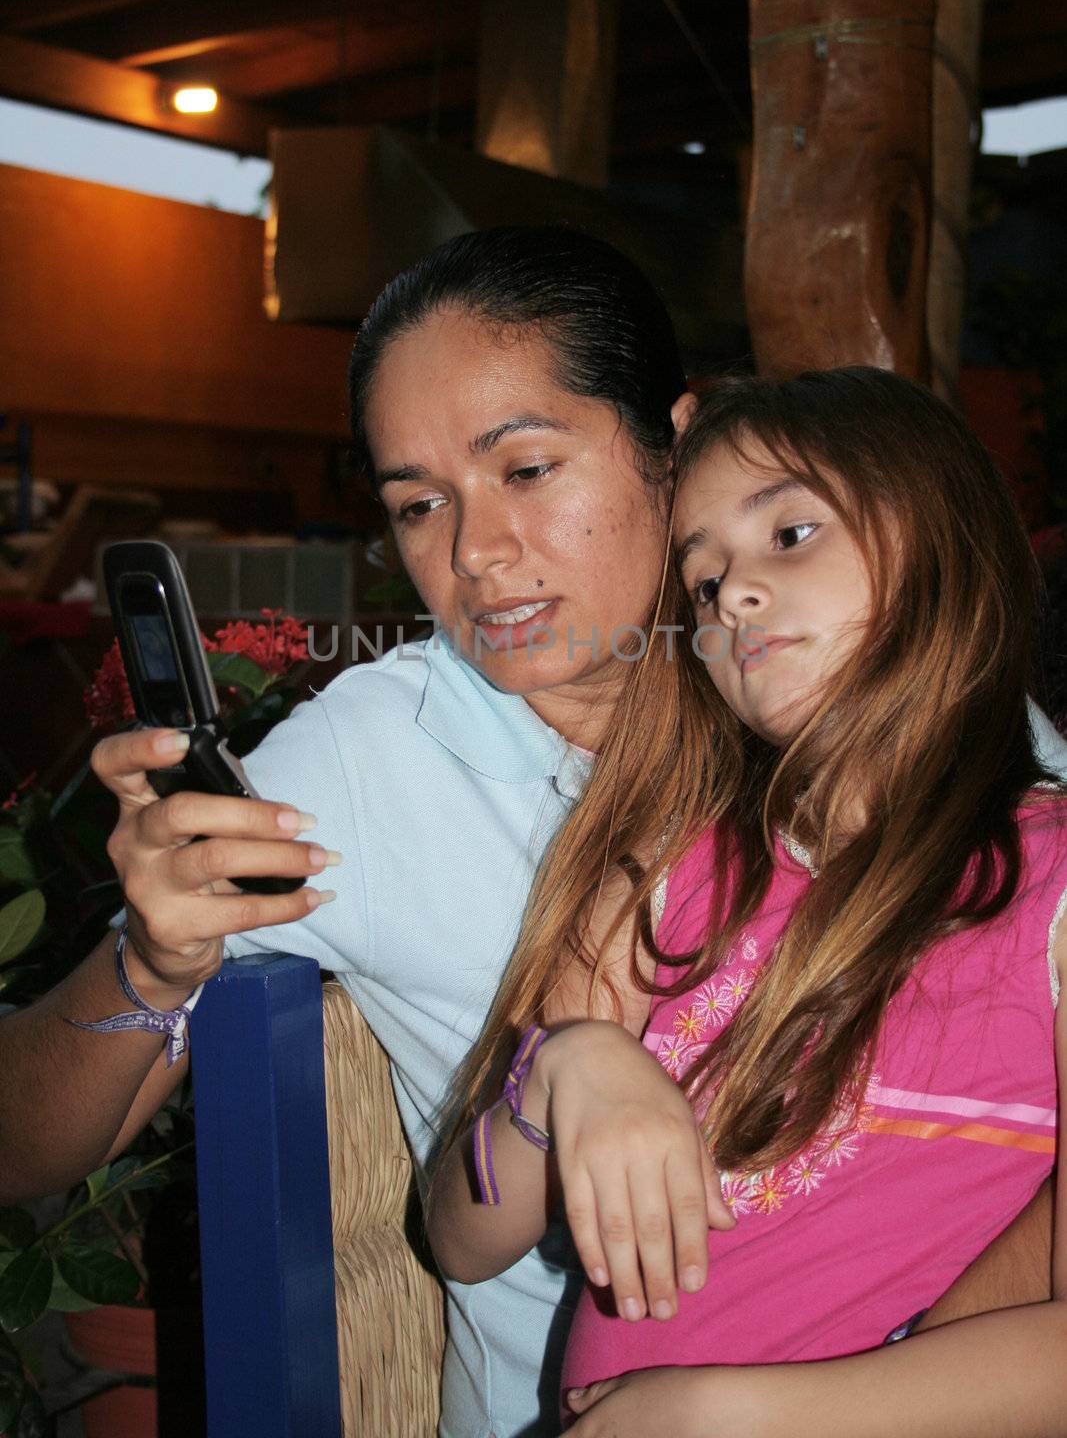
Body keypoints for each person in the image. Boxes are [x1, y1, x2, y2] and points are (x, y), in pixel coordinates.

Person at [0, 235, 1062, 1438]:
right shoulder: (366, 761)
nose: (473, 552)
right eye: (417, 503)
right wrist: (154, 957)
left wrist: (856, 1380)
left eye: (527, 465)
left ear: (674, 440)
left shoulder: (909, 707)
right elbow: (23, 1149)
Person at [427, 367, 1067, 1437]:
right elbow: (460, 1234)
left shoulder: (1045, 893)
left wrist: (723, 1415)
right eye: (704, 573)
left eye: (788, 535)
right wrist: (564, 1069)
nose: (730, 594)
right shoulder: (669, 868)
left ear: (942, 538)